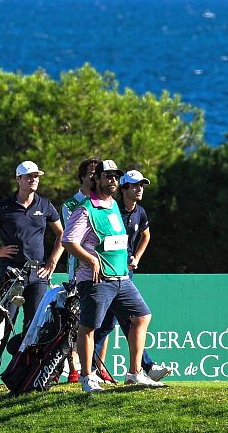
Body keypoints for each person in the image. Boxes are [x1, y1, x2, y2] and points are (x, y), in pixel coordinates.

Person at [62, 158, 164, 393]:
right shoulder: (85, 209)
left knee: (142, 317)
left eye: (116, 177)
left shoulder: (113, 206)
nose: (113, 181)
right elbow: (68, 240)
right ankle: (88, 378)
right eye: (108, 176)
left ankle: (135, 373)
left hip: (121, 278)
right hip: (96, 280)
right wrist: (90, 259)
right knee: (89, 327)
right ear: (95, 179)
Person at [92, 169, 170, 384]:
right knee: (107, 323)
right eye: (135, 186)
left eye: (142, 186)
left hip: (127, 273)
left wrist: (136, 256)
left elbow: (146, 235)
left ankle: (142, 368)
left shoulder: (140, 211)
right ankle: (141, 367)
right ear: (124, 188)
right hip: (108, 273)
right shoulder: (112, 209)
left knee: (131, 320)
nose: (139, 190)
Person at [0, 160, 64, 336]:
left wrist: (52, 261)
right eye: (29, 176)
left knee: (34, 325)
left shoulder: (44, 204)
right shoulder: (5, 206)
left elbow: (62, 234)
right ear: (18, 179)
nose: (34, 179)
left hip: (38, 273)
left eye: (36, 176)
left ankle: (26, 364)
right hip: (11, 273)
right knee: (3, 323)